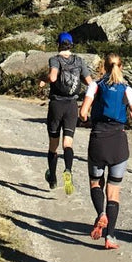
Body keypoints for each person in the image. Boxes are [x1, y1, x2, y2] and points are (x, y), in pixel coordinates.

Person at [78, 52, 132, 250]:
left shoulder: (95, 85)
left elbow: (83, 113)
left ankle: (100, 214)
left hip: (99, 138)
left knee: (95, 182)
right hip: (118, 141)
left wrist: (87, 121)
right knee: (114, 190)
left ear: (104, 67)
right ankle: (111, 237)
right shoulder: (127, 89)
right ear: (121, 67)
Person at [44, 33, 92, 194]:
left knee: (53, 145)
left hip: (57, 104)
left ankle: (52, 178)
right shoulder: (79, 61)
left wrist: (43, 80)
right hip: (72, 105)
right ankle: (68, 170)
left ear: (58, 44)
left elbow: (52, 77)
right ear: (71, 45)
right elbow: (90, 82)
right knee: (68, 143)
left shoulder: (55, 59)